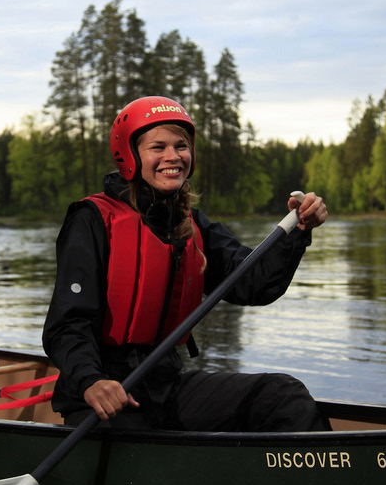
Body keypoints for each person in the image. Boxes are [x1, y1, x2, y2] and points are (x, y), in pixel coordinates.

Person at [42, 96, 331, 432]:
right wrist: (91, 381)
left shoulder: (192, 224)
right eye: (157, 147)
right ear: (131, 155)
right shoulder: (92, 221)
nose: (172, 156)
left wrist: (297, 231)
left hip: (167, 388)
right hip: (106, 398)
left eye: (181, 145)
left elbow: (256, 282)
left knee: (284, 396)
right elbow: (67, 324)